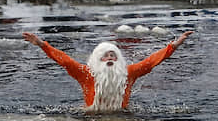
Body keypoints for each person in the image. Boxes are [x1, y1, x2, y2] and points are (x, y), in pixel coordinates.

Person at [21, 30, 193, 112]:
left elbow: (150, 62)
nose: (110, 58)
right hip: (91, 115)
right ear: (97, 59)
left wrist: (174, 45)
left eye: (113, 55)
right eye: (105, 56)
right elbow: (65, 60)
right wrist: (42, 44)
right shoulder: (86, 73)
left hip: (122, 115)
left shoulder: (128, 73)